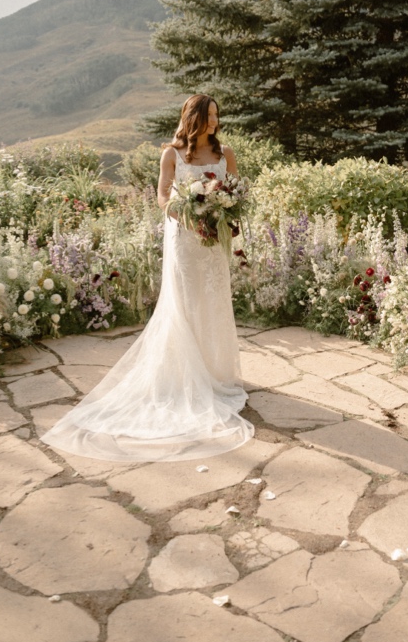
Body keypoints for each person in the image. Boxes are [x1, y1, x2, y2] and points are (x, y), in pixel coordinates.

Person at [42, 94, 253, 462]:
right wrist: (189, 211)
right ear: (194, 118)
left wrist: (222, 209)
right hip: (184, 239)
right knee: (184, 303)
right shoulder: (171, 154)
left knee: (214, 301)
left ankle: (214, 374)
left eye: (218, 116)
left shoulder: (226, 154)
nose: (216, 122)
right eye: (211, 116)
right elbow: (161, 197)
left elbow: (235, 194)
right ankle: (182, 377)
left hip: (213, 241)